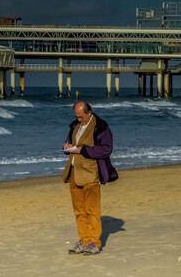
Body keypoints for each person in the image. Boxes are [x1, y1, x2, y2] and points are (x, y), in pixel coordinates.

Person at [62, 101, 118, 255]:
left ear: (89, 113)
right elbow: (69, 142)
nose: (79, 119)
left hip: (91, 173)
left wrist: (83, 150)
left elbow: (106, 149)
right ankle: (84, 240)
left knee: (92, 211)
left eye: (81, 117)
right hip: (74, 172)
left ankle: (94, 242)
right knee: (79, 211)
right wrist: (67, 147)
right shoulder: (75, 125)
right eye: (77, 117)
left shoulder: (101, 126)